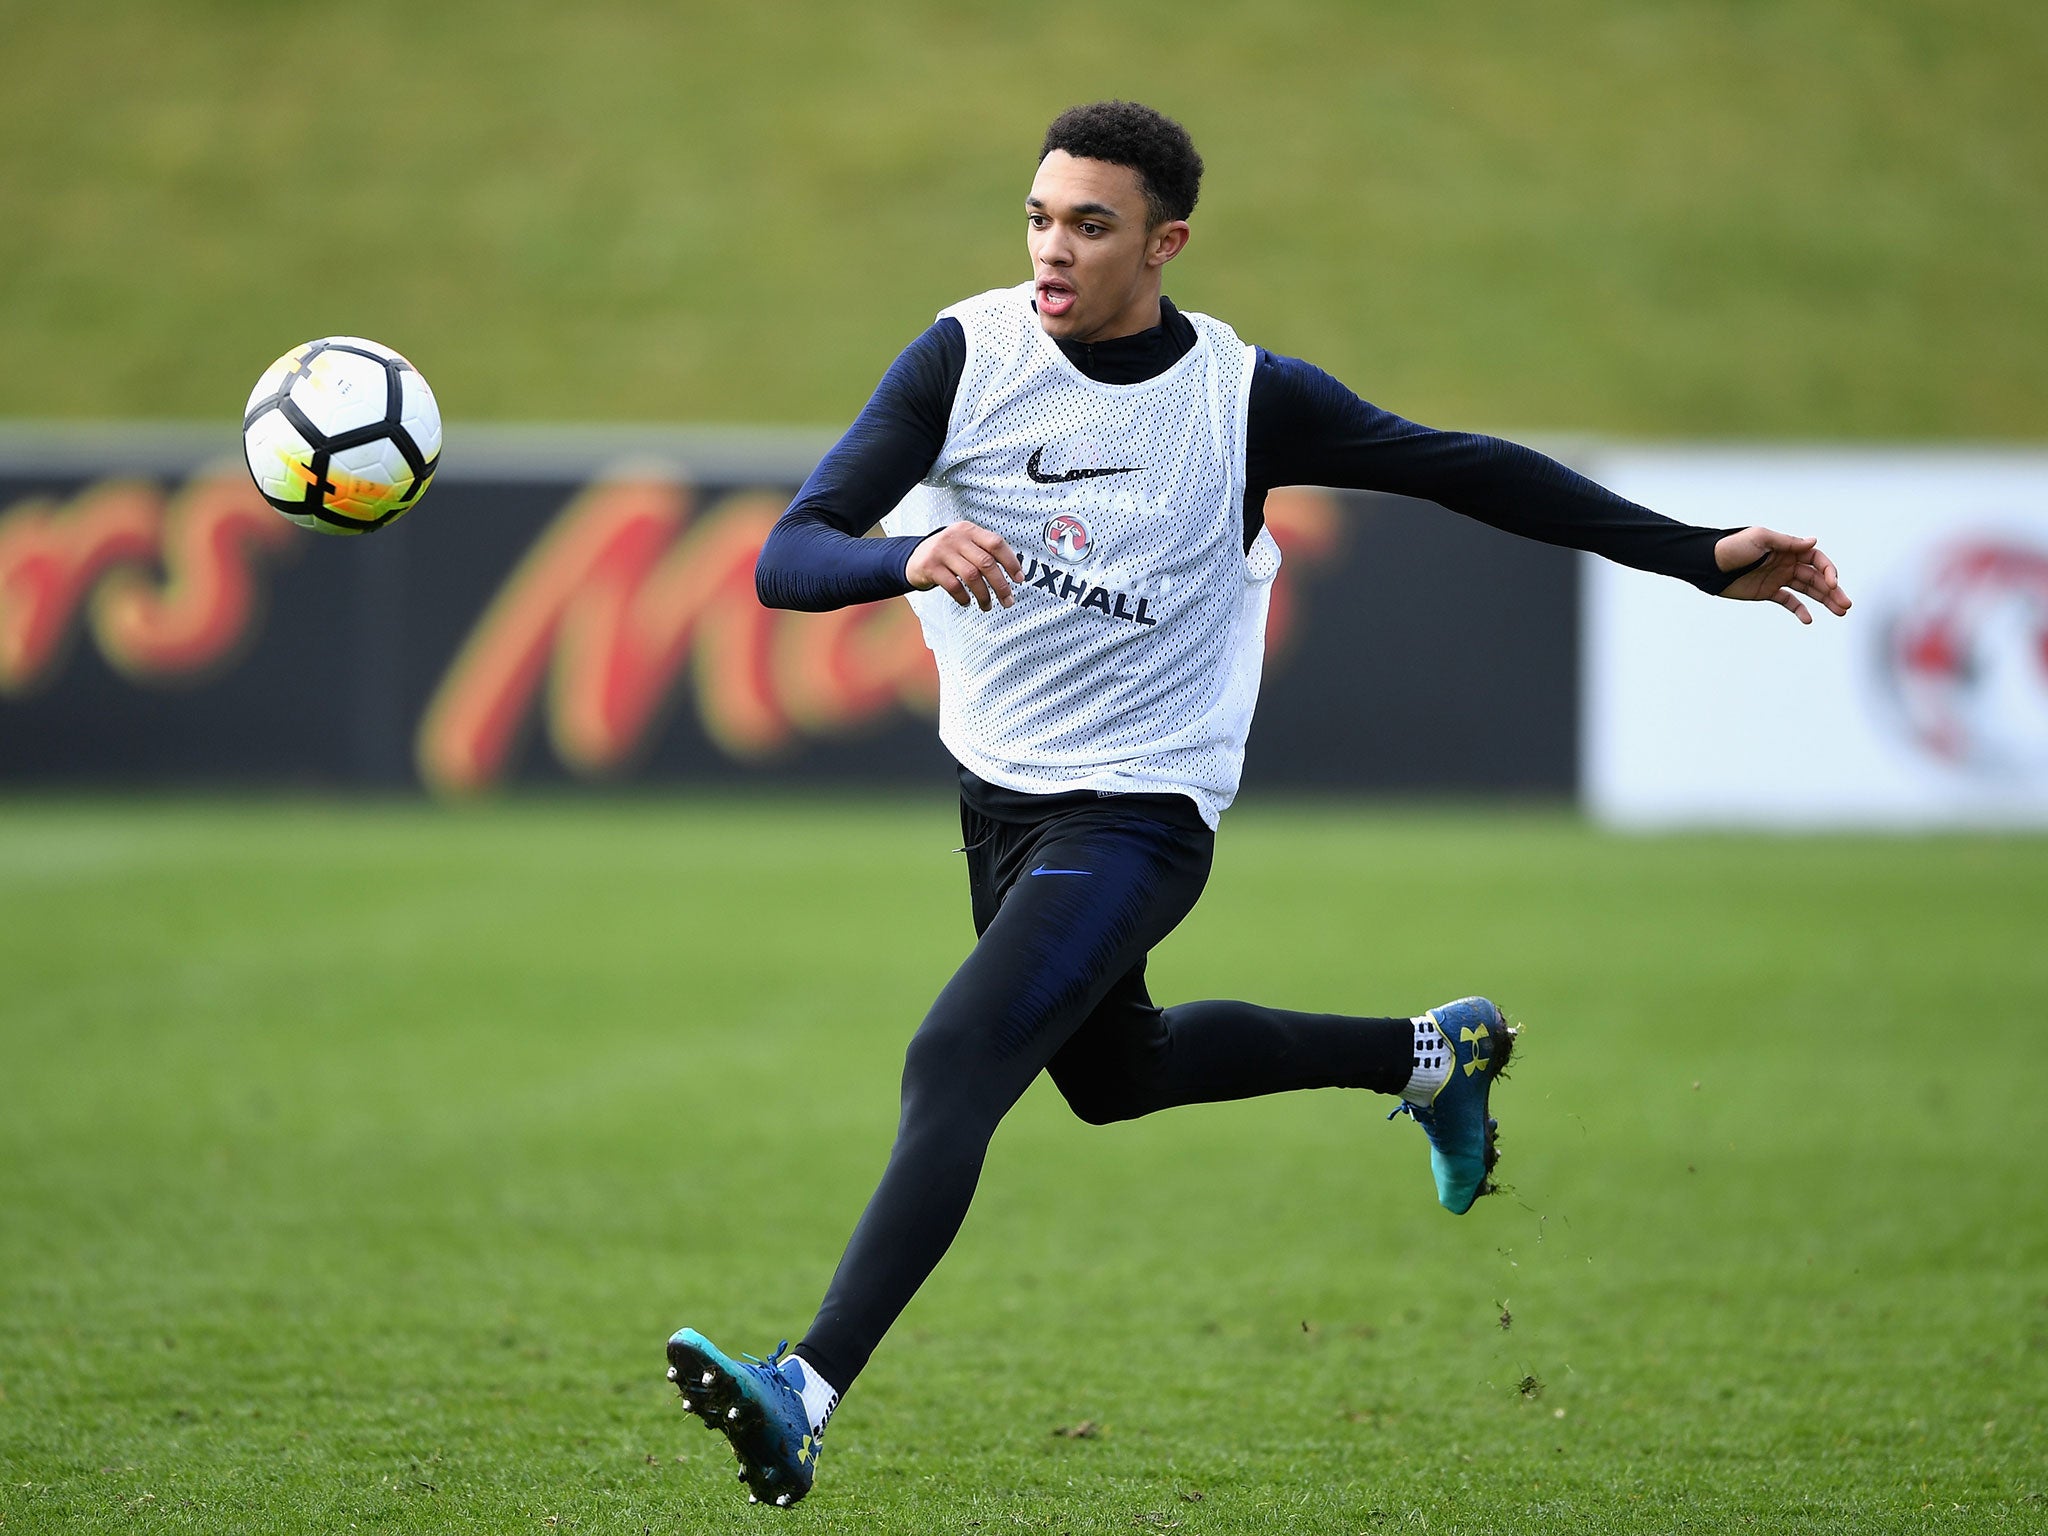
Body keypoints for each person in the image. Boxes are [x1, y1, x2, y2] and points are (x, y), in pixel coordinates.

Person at [664, 100, 1851, 1508]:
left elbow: (1465, 470)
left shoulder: (1241, 400)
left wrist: (1699, 555)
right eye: (1040, 217)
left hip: (1143, 811)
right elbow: (789, 556)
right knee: (1112, 1079)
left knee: (957, 1058)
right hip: (1003, 807)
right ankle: (1430, 1059)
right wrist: (909, 555)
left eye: (1092, 226)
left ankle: (801, 1393)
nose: (1054, 249)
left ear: (1165, 243)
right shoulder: (964, 357)